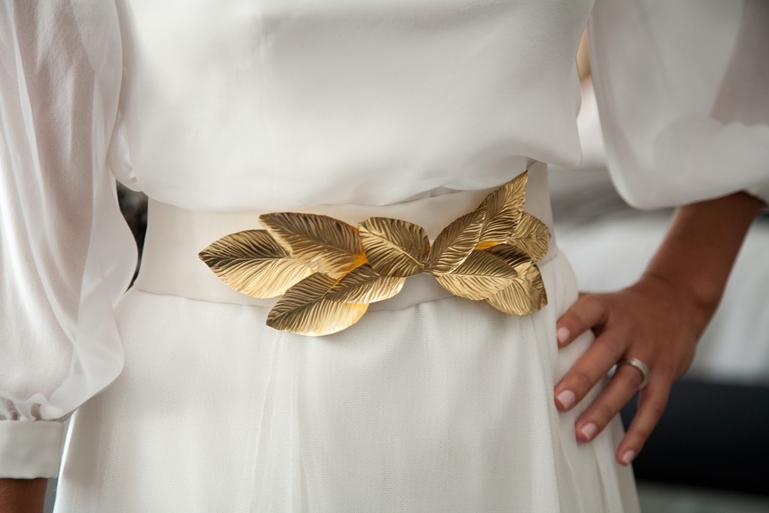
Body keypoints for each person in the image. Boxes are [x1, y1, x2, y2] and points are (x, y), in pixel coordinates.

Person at [1, 0, 767, 512]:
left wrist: (685, 287)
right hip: (210, 412)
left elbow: (734, 51)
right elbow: (24, 200)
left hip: (526, 391)